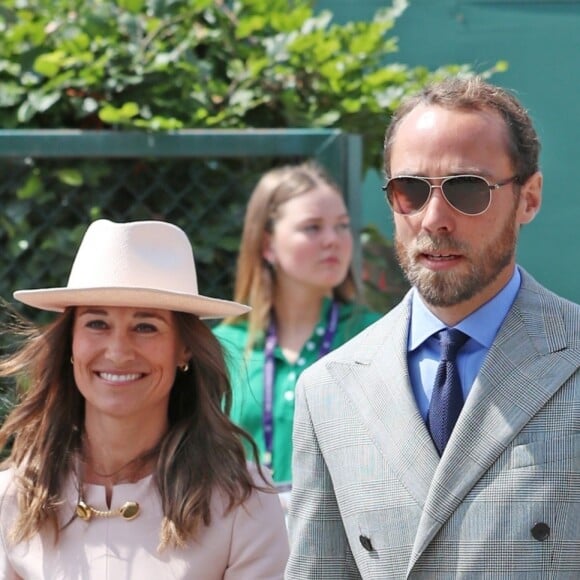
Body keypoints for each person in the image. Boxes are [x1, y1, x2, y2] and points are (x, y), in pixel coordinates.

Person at [286, 76, 580, 578]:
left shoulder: (569, 355)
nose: (435, 218)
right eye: (411, 190)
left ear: (528, 198)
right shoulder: (329, 389)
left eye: (468, 190)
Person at [0, 219, 289, 579]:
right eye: (97, 324)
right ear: (70, 343)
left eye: (145, 327)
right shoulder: (14, 495)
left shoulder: (243, 499)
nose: (119, 352)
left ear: (183, 349)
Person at [213, 162, 381, 497]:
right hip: (244, 539)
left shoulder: (376, 338)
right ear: (267, 245)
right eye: (312, 227)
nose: (333, 240)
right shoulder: (223, 347)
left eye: (343, 226)